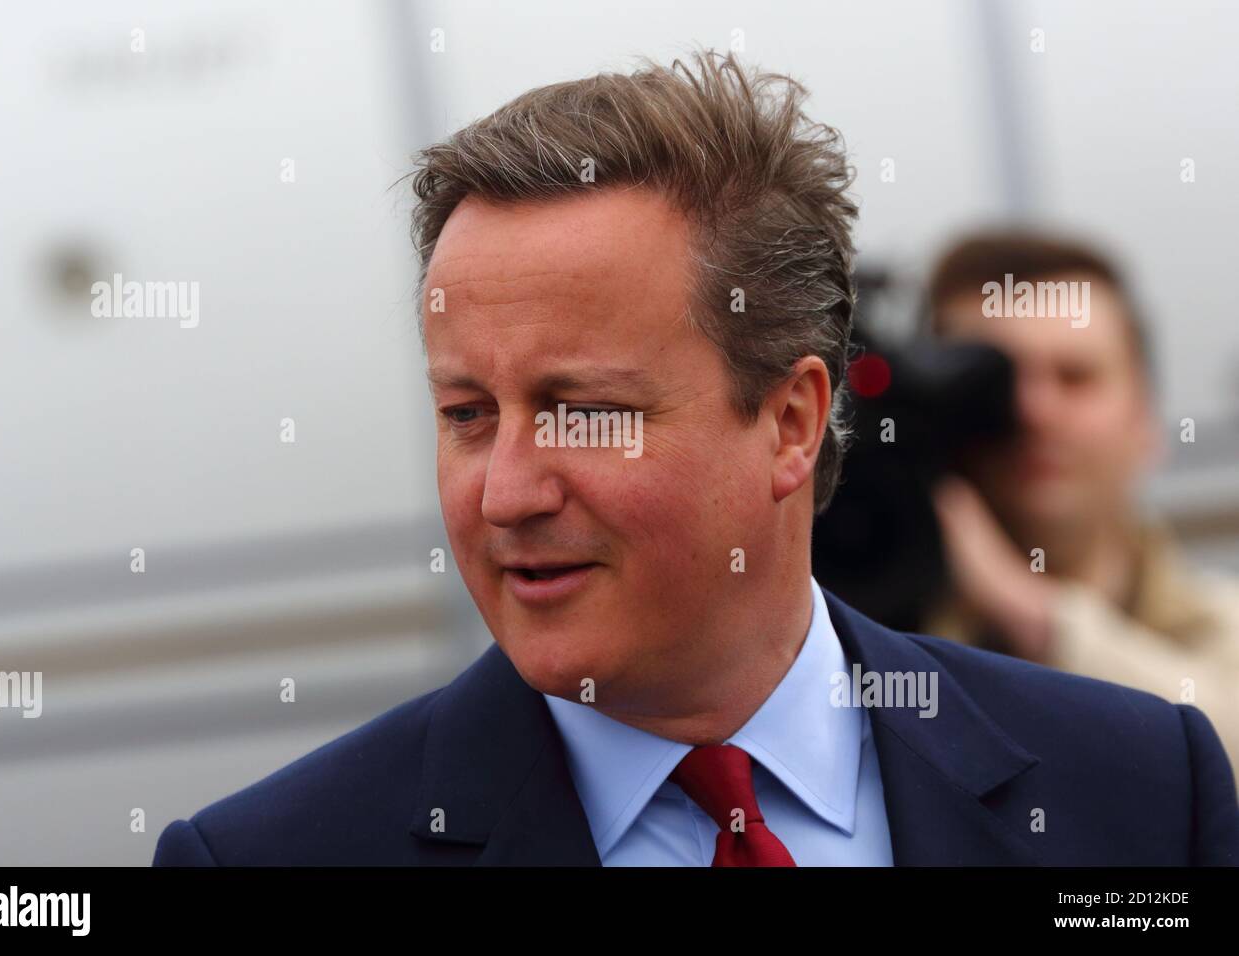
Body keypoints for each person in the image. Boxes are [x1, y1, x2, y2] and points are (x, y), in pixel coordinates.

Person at [153, 51, 1238, 866]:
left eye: (581, 410)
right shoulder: (270, 857)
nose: (506, 491)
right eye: (468, 412)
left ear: (789, 421)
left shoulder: (1138, 788)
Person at [922, 232, 1239, 776]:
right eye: (994, 383)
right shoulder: (865, 635)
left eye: (1075, 377)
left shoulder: (1224, 628)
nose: (1032, 410)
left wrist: (1035, 615)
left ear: (1146, 421)